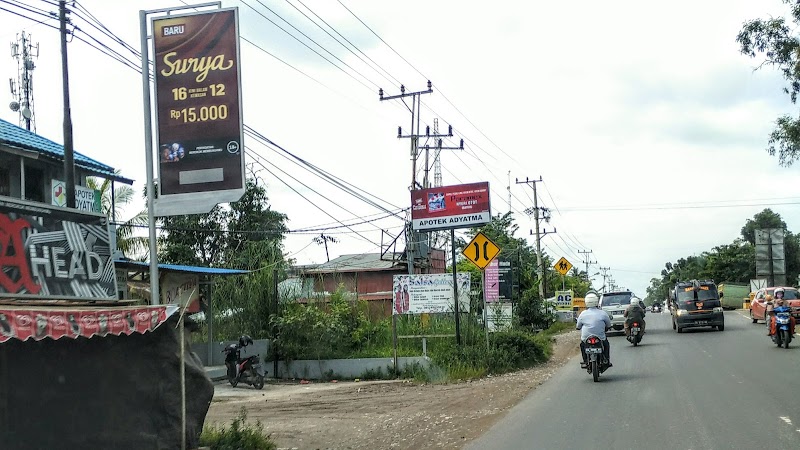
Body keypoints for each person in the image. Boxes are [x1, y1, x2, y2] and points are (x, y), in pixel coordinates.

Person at [576, 292, 612, 369]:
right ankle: (606, 359)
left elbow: (578, 326)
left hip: (586, 337)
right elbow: (609, 325)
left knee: (582, 345)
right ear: (596, 301)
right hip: (600, 337)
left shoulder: (582, 314)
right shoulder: (602, 313)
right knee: (606, 344)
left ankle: (585, 361)